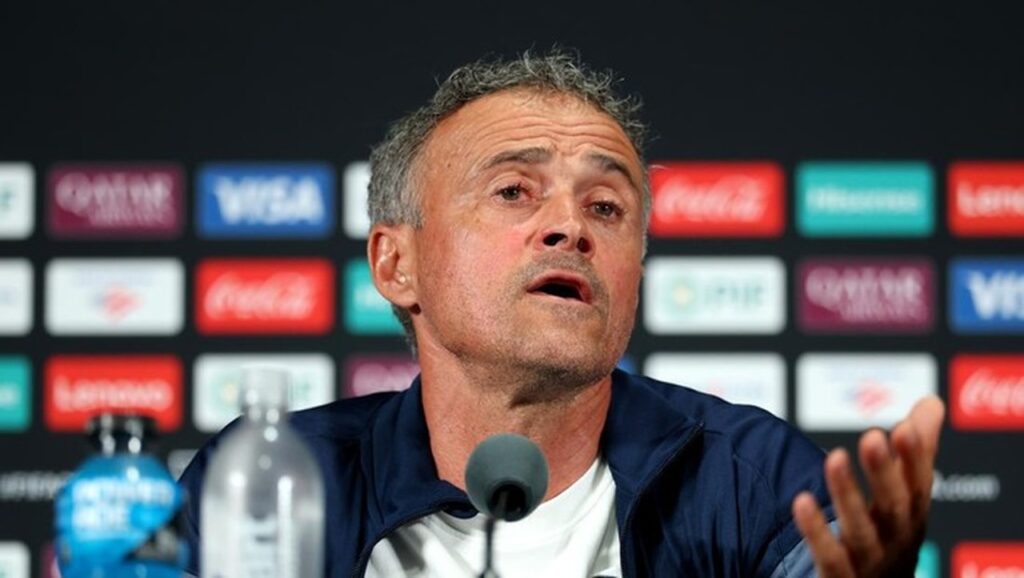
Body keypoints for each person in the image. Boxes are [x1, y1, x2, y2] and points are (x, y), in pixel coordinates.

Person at [179, 49, 944, 577]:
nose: (570, 227)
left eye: (606, 206)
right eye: (514, 191)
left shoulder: (751, 480)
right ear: (396, 264)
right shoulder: (277, 481)